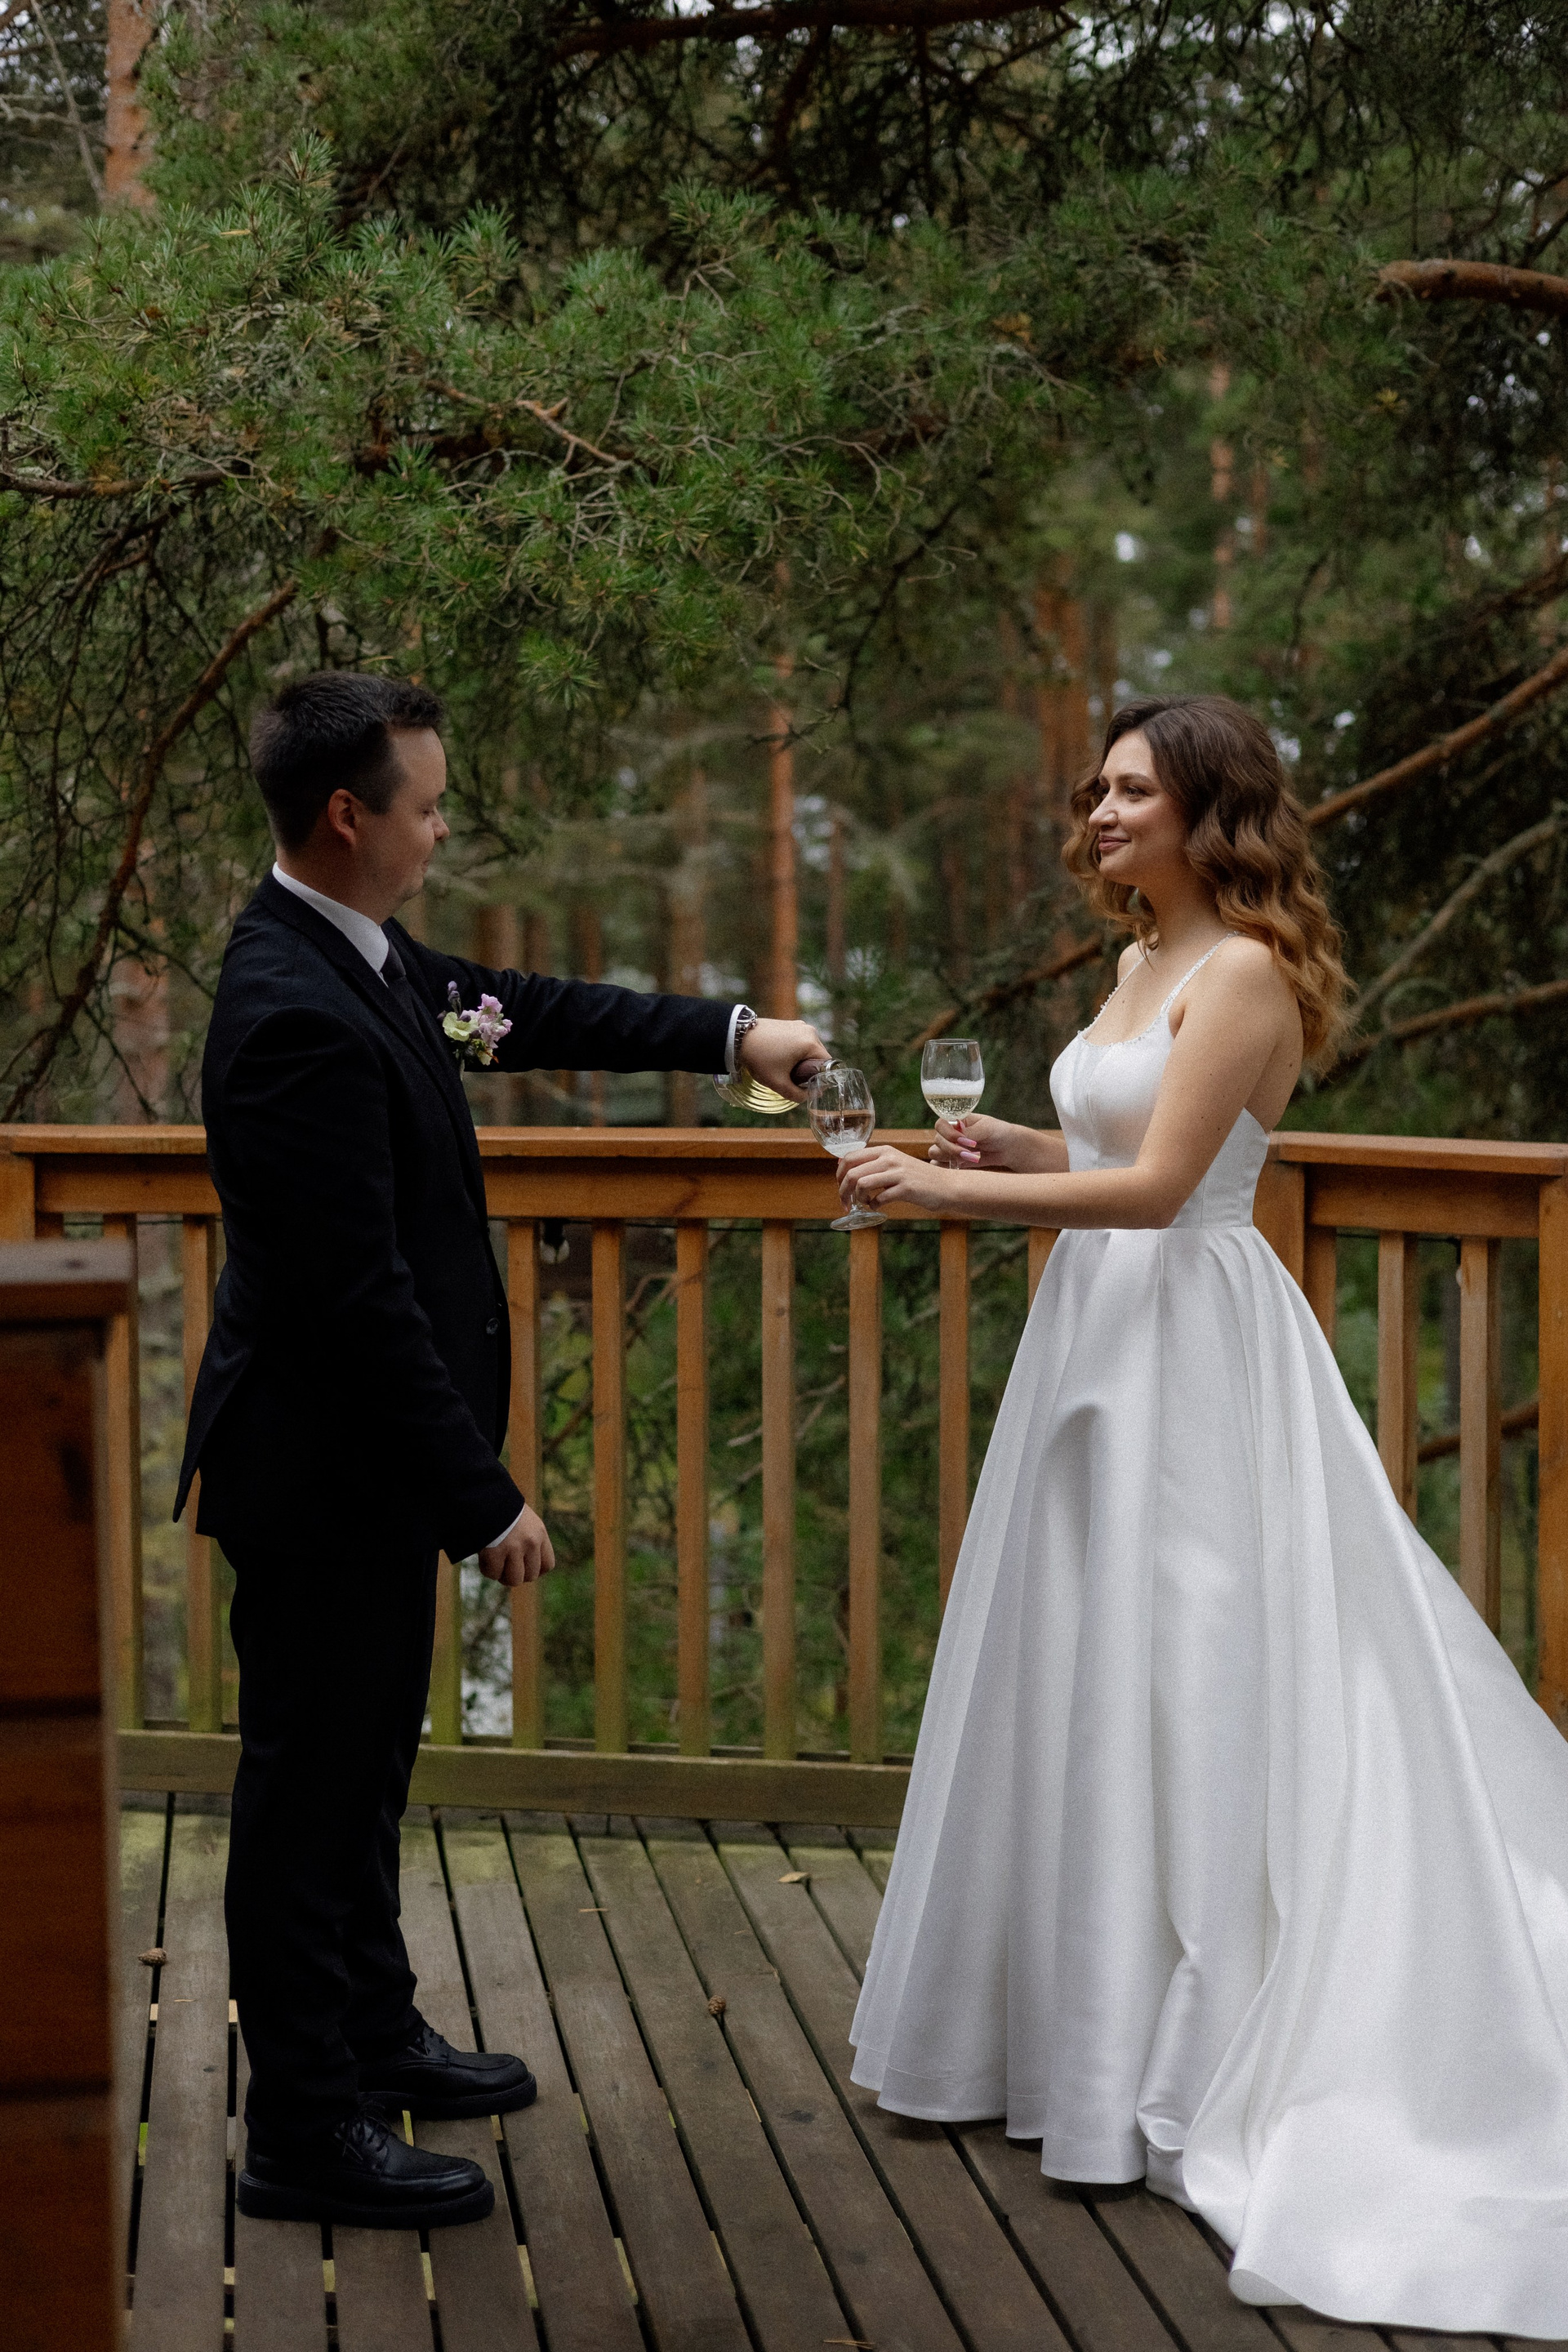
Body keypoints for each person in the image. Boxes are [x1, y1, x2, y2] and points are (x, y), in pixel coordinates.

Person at [835, 693, 1568, 2336]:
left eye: (1131, 792)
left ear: (1209, 811)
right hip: (1097, 1334)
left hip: (1189, 1340)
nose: (1098, 813)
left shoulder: (1240, 970)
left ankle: (1183, 2046)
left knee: (1189, 1669)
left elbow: (1171, 1189)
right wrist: (1010, 1143)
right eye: (1096, 789)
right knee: (1090, 1669)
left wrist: (945, 1191)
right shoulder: (1136, 961)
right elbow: (1114, 1140)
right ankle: (1069, 2044)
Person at [175, 670, 825, 2233]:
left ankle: (373, 2032)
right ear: (350, 816)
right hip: (317, 1470)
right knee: (306, 1794)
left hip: (364, 1472)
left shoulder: (368, 957)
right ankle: (304, 2127)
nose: (445, 826)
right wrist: (483, 1494)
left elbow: (524, 1008)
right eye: (430, 804)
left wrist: (736, 1036)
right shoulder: (288, 1011)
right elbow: (354, 1301)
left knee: (366, 1769)